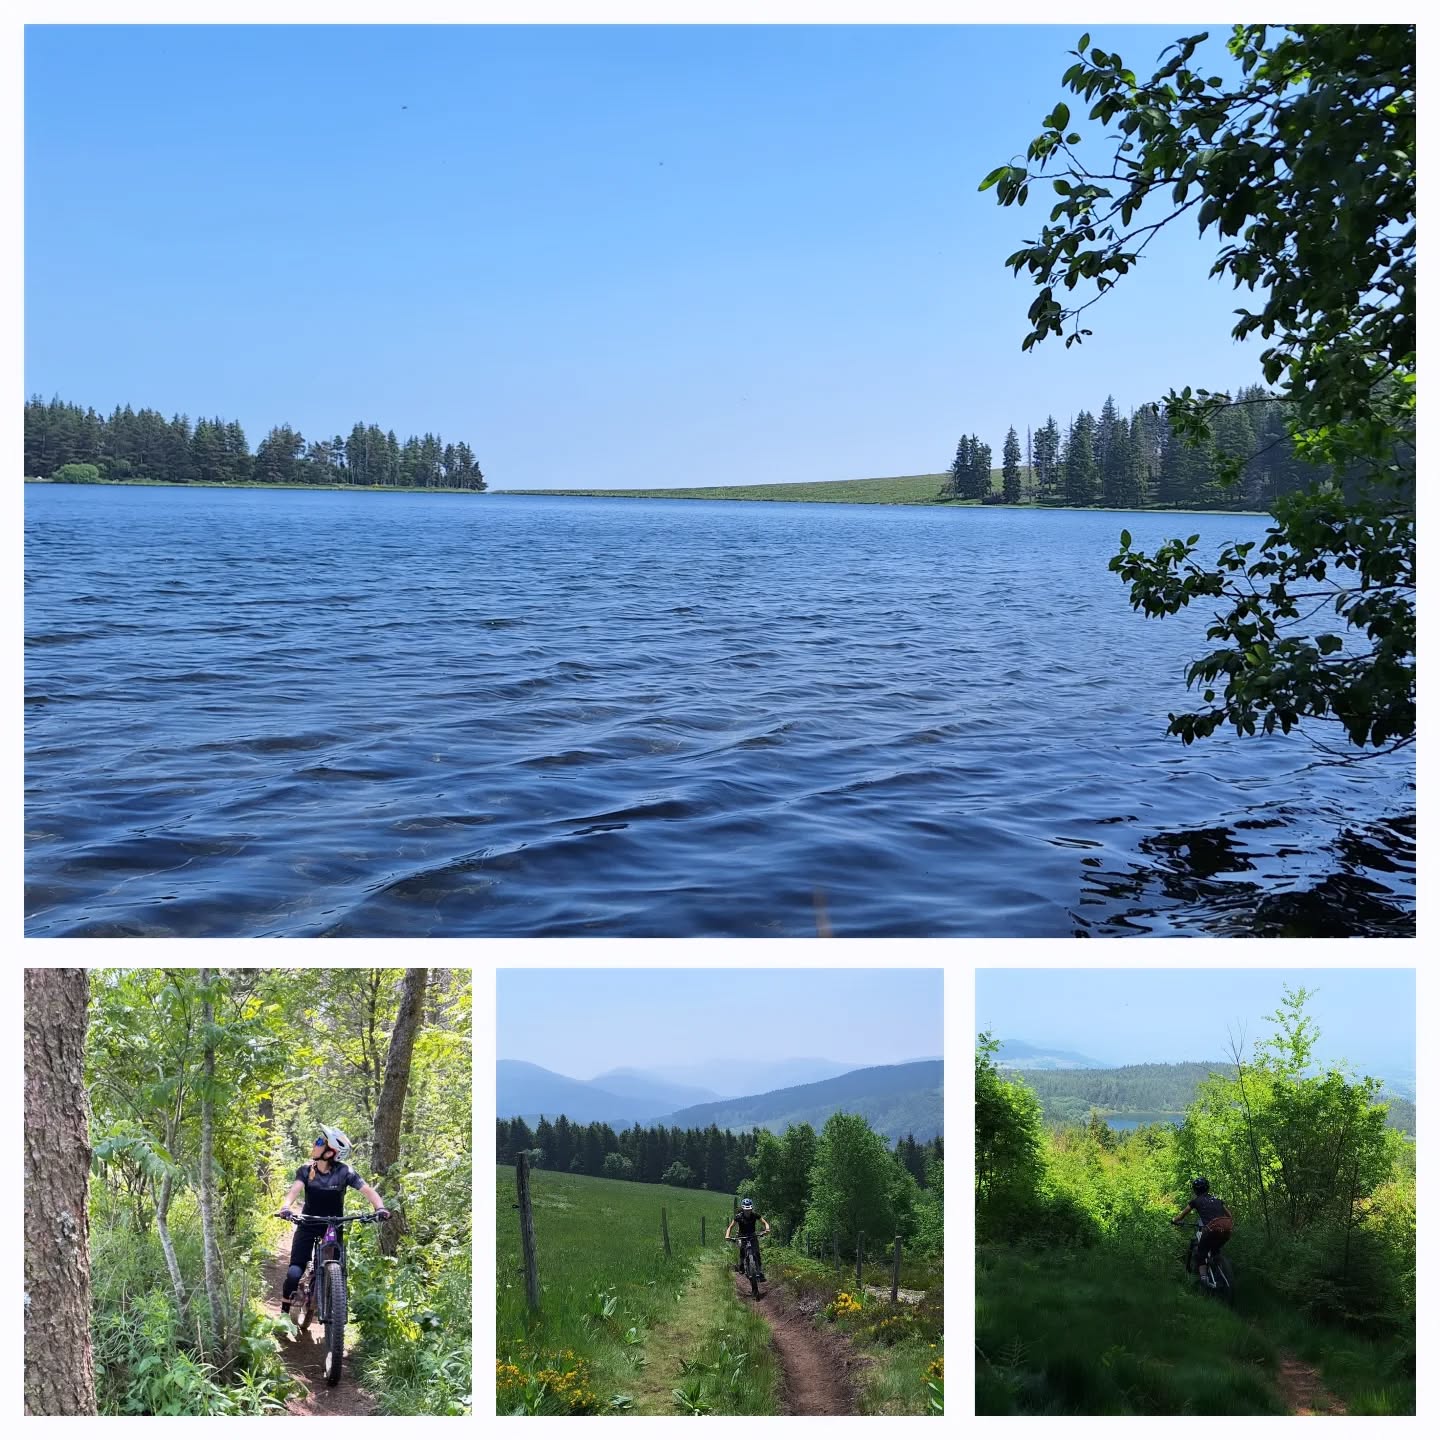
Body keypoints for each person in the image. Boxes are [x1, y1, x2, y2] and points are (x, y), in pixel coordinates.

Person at [274, 1125, 390, 1316]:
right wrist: (286, 1207)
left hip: (332, 1226)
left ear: (329, 1153)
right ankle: (284, 1314)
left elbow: (368, 1191)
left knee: (334, 1265)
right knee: (294, 1274)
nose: (315, 1143)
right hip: (308, 1224)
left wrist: (380, 1208)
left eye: (320, 1141)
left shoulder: (345, 1172)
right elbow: (294, 1191)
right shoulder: (305, 1170)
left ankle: (327, 1299)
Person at [1171, 1176, 1233, 1282]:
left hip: (1210, 1230)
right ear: (1207, 1188)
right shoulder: (1217, 1200)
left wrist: (1174, 1220)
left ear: (1195, 1190)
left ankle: (1203, 1279)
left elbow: (1181, 1216)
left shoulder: (1196, 1201)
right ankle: (1219, 1268)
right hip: (1225, 1230)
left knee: (1201, 1252)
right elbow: (1229, 1215)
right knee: (1215, 1250)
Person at [724, 1197, 771, 1282]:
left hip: (752, 1235)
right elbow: (730, 1227)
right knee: (742, 1249)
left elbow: (764, 1222)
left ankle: (760, 1271)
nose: (747, 1211)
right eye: (746, 1209)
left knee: (757, 1252)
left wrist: (767, 1229)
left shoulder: (755, 1215)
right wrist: (727, 1235)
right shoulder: (738, 1217)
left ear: (751, 1208)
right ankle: (741, 1265)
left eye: (749, 1209)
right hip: (742, 1235)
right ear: (743, 1209)